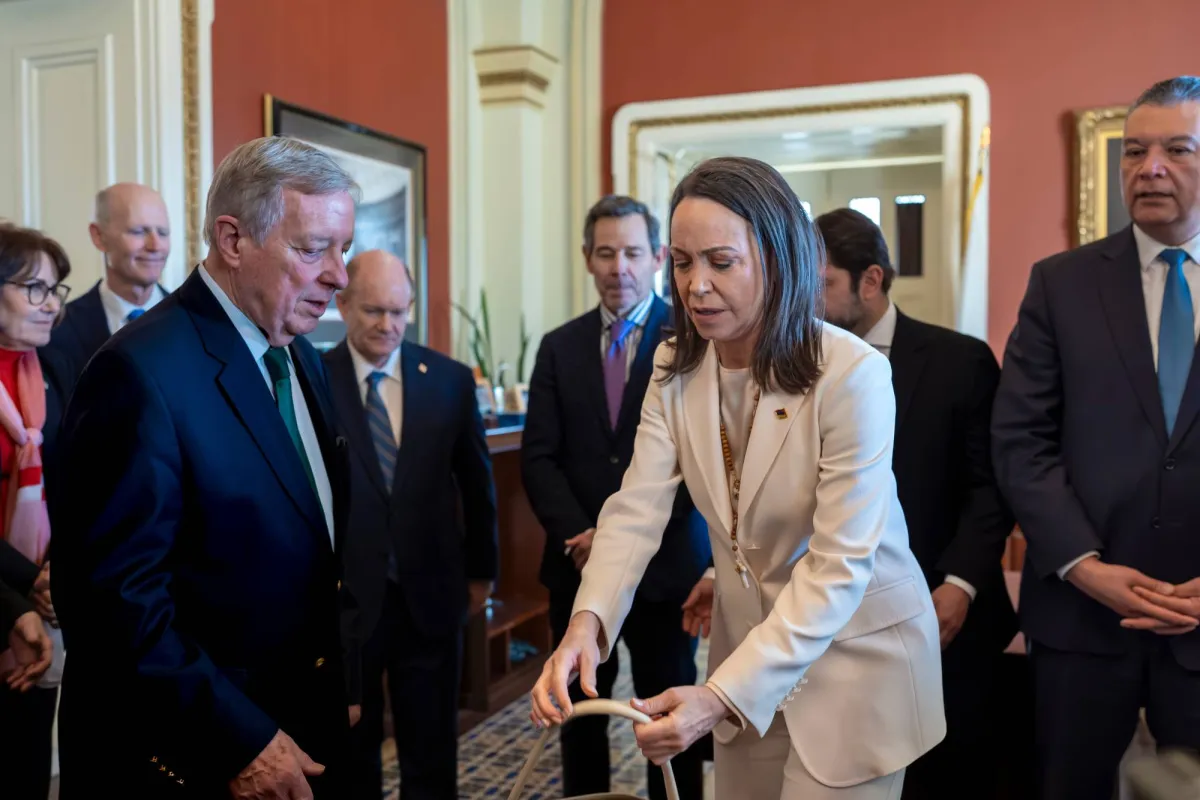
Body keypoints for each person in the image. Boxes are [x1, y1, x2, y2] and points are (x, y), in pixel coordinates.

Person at [531, 156, 945, 800]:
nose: (695, 286)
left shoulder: (852, 374)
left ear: (776, 262)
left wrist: (721, 694)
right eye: (682, 262)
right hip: (746, 649)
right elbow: (636, 510)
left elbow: (839, 566)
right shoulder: (674, 364)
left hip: (855, 660)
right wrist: (587, 622)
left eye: (721, 262)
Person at [51, 136, 362, 799]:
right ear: (232, 239)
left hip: (303, 729)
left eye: (345, 249)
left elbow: (321, 546)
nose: (339, 275)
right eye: (314, 249)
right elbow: (114, 606)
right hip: (198, 757)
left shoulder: (300, 354)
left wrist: (343, 674)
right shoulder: (137, 372)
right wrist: (238, 742)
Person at [992, 75, 1200, 800]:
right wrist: (1083, 566)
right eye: (1134, 152)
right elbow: (1020, 439)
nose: (1150, 168)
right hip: (1080, 618)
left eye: (1177, 149)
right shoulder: (1062, 284)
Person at [815, 208, 1017, 800]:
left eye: (822, 284)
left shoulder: (960, 361)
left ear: (871, 281)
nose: (808, 301)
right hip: (834, 625)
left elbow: (990, 488)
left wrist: (959, 584)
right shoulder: (800, 368)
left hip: (945, 613)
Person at [522, 195, 710, 800]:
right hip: (575, 566)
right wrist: (584, 537)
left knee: (666, 721)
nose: (618, 267)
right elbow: (538, 456)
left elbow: (698, 463)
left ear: (657, 257)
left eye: (632, 252)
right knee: (577, 717)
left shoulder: (691, 338)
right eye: (606, 253)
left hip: (667, 570)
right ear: (587, 258)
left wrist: (616, 538)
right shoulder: (558, 346)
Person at [325, 248, 498, 800]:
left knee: (431, 749)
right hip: (346, 602)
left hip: (430, 592)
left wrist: (482, 574)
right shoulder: (314, 378)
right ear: (343, 304)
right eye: (374, 310)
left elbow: (478, 487)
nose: (388, 325)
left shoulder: (449, 381)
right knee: (351, 753)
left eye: (399, 312)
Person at [0, 222, 74, 799]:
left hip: (42, 605)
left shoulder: (50, 369)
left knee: (25, 767)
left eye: (56, 290)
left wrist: (54, 572)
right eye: (35, 289)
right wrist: (28, 582)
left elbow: (73, 485)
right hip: (11, 598)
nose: (52, 305)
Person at [44, 182, 170, 378]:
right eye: (138, 232)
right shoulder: (57, 329)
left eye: (163, 233)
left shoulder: (197, 320)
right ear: (99, 236)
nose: (155, 245)